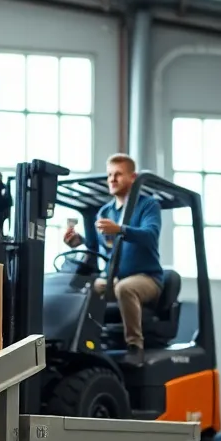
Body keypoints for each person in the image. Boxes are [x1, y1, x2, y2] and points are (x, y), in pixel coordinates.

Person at [63, 153, 163, 367]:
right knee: (86, 288)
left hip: (147, 278)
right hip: (114, 278)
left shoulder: (148, 205)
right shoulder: (105, 211)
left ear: (133, 177)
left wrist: (120, 229)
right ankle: (85, 344)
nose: (112, 179)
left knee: (125, 288)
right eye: (109, 175)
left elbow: (150, 235)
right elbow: (95, 246)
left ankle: (135, 346)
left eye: (118, 174)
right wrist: (77, 241)